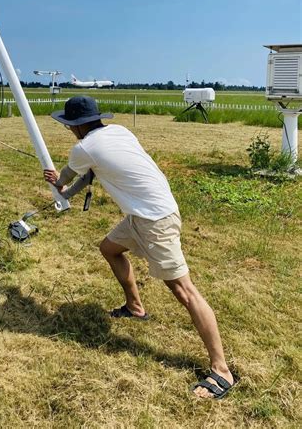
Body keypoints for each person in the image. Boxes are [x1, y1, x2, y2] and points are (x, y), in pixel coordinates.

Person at [44, 95, 235, 400]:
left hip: (155, 221)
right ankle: (135, 308)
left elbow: (66, 177)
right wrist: (68, 193)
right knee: (109, 248)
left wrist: (58, 183)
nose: (69, 131)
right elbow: (90, 174)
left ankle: (221, 370)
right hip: (143, 215)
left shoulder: (83, 147)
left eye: (69, 127)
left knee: (184, 291)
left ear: (77, 126)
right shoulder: (119, 132)